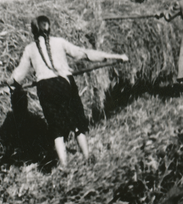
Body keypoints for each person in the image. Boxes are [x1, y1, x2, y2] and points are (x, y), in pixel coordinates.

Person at [7, 15, 129, 168]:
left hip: (45, 88)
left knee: (55, 127)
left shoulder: (29, 49)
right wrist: (116, 56)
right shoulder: (59, 42)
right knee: (76, 120)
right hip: (64, 84)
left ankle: (64, 165)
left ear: (33, 31)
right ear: (49, 28)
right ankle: (87, 157)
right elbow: (86, 54)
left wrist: (7, 83)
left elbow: (17, 77)